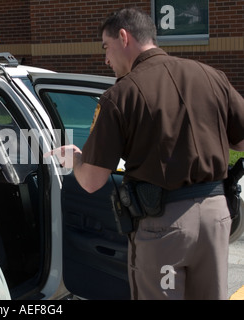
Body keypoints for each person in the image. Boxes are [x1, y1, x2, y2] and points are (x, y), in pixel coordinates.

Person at [48, 7, 244, 299]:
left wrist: (74, 159)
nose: (106, 59)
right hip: (217, 219)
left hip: (165, 227)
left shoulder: (121, 95)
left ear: (124, 37)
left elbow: (92, 181)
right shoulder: (211, 76)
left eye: (106, 47)